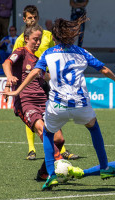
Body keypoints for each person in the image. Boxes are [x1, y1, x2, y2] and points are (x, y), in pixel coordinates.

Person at [1, 17, 115, 191]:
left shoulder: (47, 54)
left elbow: (36, 72)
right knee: (94, 128)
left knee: (51, 135)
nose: (38, 42)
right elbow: (103, 69)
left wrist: (15, 89)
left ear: (55, 37)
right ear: (72, 35)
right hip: (80, 105)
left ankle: (50, 175)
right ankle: (104, 168)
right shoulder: (81, 52)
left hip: (57, 105)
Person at [2, 24, 66, 182]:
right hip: (25, 102)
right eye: (34, 39)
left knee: (59, 139)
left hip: (43, 101)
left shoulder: (39, 61)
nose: (37, 43)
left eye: (39, 40)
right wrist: (9, 78)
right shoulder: (21, 52)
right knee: (43, 131)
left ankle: (44, 172)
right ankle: (61, 165)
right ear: (26, 39)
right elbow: (6, 63)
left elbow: (45, 77)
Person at [13, 5, 77, 161]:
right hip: (29, 81)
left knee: (54, 112)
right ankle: (31, 149)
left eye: (34, 17)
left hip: (46, 79)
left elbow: (57, 53)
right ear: (24, 19)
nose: (32, 19)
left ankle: (62, 149)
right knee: (32, 114)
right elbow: (14, 61)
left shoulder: (47, 35)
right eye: (29, 17)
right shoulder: (21, 39)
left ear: (38, 18)